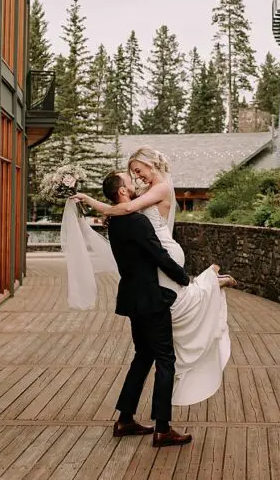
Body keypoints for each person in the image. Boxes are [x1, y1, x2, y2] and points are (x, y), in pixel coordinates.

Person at [67, 147, 233, 411]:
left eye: (138, 170)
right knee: (166, 328)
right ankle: (210, 282)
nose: (137, 176)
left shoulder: (160, 189)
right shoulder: (140, 199)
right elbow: (124, 207)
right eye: (132, 173)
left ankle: (211, 282)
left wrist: (96, 204)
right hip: (154, 274)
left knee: (169, 315)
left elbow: (125, 207)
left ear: (150, 164)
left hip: (156, 265)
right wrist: (92, 201)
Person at [98, 171, 192, 448]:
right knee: (165, 359)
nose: (134, 183)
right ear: (122, 192)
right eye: (129, 181)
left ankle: (125, 419)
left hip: (131, 297)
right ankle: (163, 429)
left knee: (143, 356)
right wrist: (184, 278)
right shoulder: (137, 221)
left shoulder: (115, 221)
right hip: (150, 299)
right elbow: (158, 254)